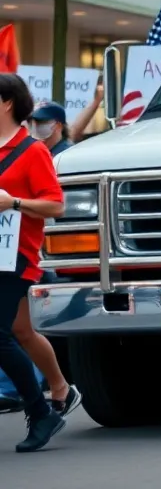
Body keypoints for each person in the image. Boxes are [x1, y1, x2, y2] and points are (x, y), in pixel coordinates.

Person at [0, 73, 68, 452]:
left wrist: (15, 203)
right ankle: (58, 388)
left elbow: (56, 204)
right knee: (23, 332)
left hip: (16, 256)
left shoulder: (33, 151)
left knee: (1, 335)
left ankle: (40, 411)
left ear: (7, 102)